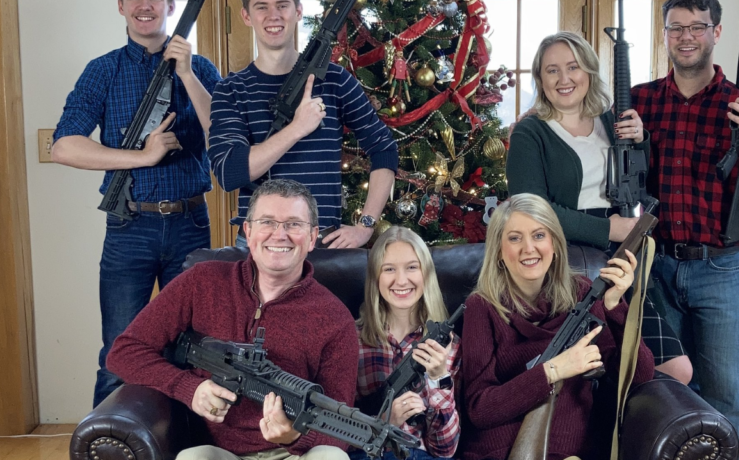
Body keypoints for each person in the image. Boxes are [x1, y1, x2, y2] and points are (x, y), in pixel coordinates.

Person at [51, 0, 221, 407]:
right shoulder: (102, 71)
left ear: (170, 6)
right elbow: (64, 146)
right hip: (130, 229)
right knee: (119, 352)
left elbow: (225, 140)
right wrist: (141, 157)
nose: (145, 7)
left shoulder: (200, 67)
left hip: (190, 225)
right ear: (121, 6)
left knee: (195, 352)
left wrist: (186, 73)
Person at [107, 178, 358, 460]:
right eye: (267, 222)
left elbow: (340, 424)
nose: (279, 235)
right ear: (248, 232)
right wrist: (189, 388)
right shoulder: (201, 282)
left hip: (295, 453)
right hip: (218, 451)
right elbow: (124, 352)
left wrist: (295, 436)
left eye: (293, 224)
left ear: (312, 237)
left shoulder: (335, 317)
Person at [506, 31, 692, 384]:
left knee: (674, 368)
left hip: (623, 256)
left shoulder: (610, 122)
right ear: (540, 78)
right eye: (552, 70)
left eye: (573, 67)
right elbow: (529, 208)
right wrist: (608, 230)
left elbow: (636, 180)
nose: (564, 79)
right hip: (569, 262)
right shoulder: (530, 133)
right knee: (591, 370)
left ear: (588, 72)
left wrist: (642, 140)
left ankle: (630, 436)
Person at [631, 0, 739, 460]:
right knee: (664, 389)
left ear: (717, 32)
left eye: (697, 27)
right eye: (676, 28)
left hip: (724, 272)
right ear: (665, 34)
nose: (686, 37)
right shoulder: (641, 101)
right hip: (657, 267)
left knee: (725, 393)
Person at [208, 0, 398, 249]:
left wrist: (365, 226)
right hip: (260, 245)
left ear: (297, 12)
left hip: (321, 242)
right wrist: (296, 128)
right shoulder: (231, 90)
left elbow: (384, 149)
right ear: (246, 16)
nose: (273, 15)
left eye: (282, 5)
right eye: (262, 7)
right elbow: (230, 173)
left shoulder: (335, 80)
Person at [459, 193, 654, 460]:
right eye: (515, 238)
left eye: (539, 235)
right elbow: (479, 408)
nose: (529, 248)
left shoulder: (585, 293)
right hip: (497, 451)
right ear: (499, 251)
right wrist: (553, 370)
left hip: (570, 451)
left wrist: (614, 305)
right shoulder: (481, 307)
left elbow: (641, 376)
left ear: (554, 243)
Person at [353, 227, 461, 460]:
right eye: (389, 269)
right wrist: (383, 422)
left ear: (426, 274)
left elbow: (445, 450)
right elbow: (335, 431)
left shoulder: (448, 347)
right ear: (375, 278)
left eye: (412, 267)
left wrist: (439, 378)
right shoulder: (353, 341)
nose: (401, 280)